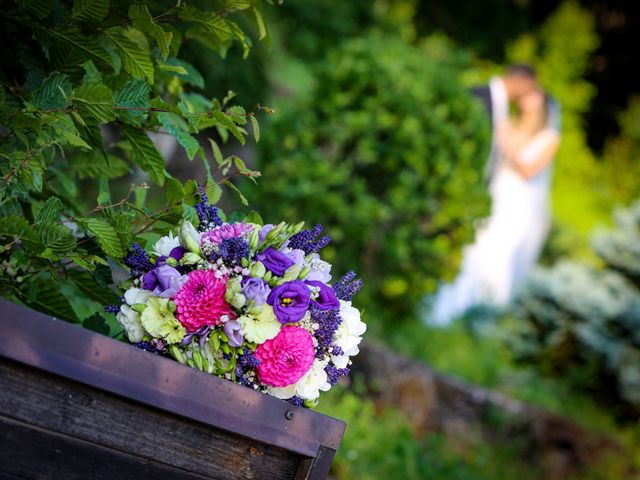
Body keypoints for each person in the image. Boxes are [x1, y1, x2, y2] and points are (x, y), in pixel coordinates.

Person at [429, 66, 561, 325]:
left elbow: (528, 169)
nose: (525, 103)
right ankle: (452, 308)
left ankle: (483, 313)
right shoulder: (511, 124)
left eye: (533, 98)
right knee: (474, 249)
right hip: (495, 199)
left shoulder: (549, 136)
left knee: (499, 255)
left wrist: (507, 142)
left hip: (518, 207)